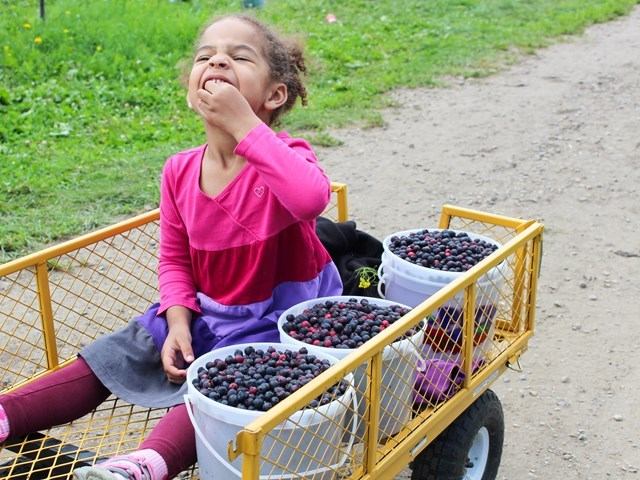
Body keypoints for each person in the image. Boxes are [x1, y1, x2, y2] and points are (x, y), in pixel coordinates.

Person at [0, 13, 342, 480]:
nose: (218, 58)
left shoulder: (285, 157)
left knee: (227, 381)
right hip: (204, 310)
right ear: (192, 92)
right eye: (206, 56)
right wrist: (177, 318)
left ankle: (146, 463)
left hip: (273, 319)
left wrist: (246, 127)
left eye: (239, 57)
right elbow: (175, 259)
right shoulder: (179, 172)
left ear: (274, 95)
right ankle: (9, 413)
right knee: (118, 348)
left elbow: (311, 199)